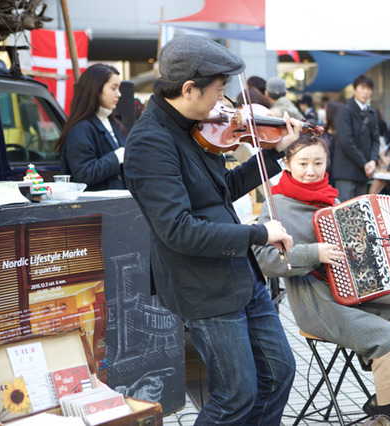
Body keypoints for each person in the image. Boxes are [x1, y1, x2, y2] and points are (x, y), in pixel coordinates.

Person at [123, 35, 302, 425]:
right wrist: (259, 234)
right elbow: (179, 230)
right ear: (189, 89)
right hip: (203, 286)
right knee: (235, 396)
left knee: (278, 374)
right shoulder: (150, 143)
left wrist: (273, 154)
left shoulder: (195, 125)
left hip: (240, 274)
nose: (227, 104)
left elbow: (222, 192)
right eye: (220, 91)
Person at [254, 134, 390, 426]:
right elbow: (264, 259)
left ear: (327, 163)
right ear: (287, 164)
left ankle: (381, 400)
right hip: (316, 303)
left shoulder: (332, 198)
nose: (311, 170)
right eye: (303, 163)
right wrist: (314, 253)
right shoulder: (277, 204)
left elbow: (364, 250)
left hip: (354, 295)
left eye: (318, 162)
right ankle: (388, 417)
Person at [56, 64, 126, 191]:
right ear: (96, 89)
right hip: (96, 208)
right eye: (113, 88)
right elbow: (83, 174)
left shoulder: (114, 123)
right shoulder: (80, 128)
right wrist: (117, 157)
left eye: (118, 88)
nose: (119, 94)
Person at [332, 74, 380, 201]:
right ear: (354, 90)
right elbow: (346, 142)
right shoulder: (345, 111)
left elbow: (376, 140)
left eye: (369, 89)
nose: (366, 92)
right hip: (346, 171)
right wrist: (364, 163)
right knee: (345, 213)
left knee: (361, 213)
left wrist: (373, 161)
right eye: (362, 88)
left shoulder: (371, 113)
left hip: (364, 172)